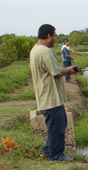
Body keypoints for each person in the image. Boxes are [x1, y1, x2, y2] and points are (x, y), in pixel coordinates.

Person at [30, 24, 80, 161]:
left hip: (46, 96)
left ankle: (47, 150)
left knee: (58, 124)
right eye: (55, 35)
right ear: (48, 36)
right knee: (57, 127)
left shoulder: (35, 50)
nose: (55, 38)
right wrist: (70, 69)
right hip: (50, 97)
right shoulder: (45, 52)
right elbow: (57, 72)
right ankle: (57, 156)